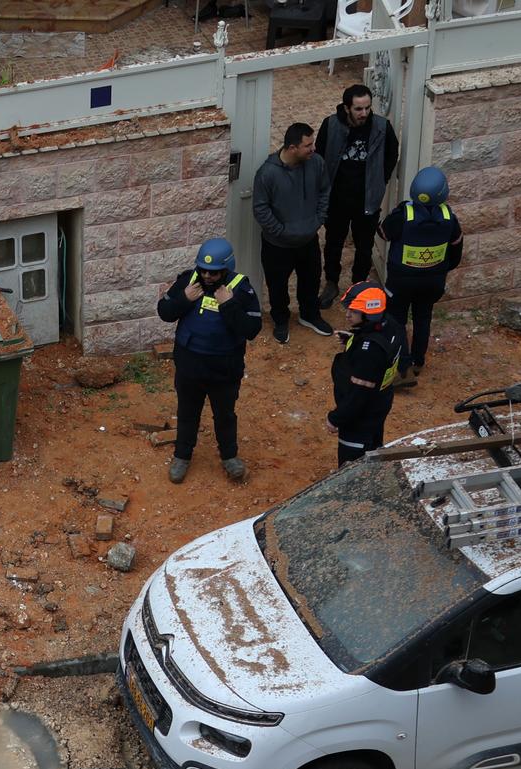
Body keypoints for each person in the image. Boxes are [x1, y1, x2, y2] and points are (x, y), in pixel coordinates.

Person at [157, 237, 263, 484]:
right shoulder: (188, 281)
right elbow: (164, 312)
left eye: (213, 272)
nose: (207, 275)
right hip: (189, 366)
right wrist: (183, 299)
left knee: (224, 415)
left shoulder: (242, 289)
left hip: (224, 369)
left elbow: (251, 329)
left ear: (226, 268)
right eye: (203, 270)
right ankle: (182, 456)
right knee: (187, 413)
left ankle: (229, 457)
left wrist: (229, 306)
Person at [315, 85, 400, 309]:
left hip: (367, 200)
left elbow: (392, 153)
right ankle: (331, 282)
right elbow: (320, 156)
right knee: (333, 242)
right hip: (337, 199)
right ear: (347, 108)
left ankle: (358, 286)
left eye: (367, 108)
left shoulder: (381, 127)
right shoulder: (331, 125)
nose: (364, 113)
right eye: (358, 109)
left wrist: (380, 180)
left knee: (364, 246)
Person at [378, 166, 463, 384]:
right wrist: (440, 268)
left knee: (396, 320)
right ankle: (418, 361)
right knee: (422, 318)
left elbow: (383, 233)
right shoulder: (448, 217)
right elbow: (456, 250)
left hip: (401, 281)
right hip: (432, 281)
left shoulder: (403, 215)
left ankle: (402, 366)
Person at [252, 122, 333, 344]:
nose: (313, 148)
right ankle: (281, 320)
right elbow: (260, 208)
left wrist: (318, 219)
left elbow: (325, 190)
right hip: (277, 246)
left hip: (308, 240)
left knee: (311, 280)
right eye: (308, 145)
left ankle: (310, 315)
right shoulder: (267, 173)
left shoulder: (316, 163)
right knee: (277, 287)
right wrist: (280, 232)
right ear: (292, 147)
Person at [325, 282, 405, 465]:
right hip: (380, 403)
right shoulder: (390, 326)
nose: (347, 315)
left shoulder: (369, 352)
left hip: (359, 419)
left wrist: (335, 418)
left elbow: (358, 395)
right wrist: (354, 339)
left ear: (369, 314)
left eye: (353, 312)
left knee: (352, 468)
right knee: (373, 450)